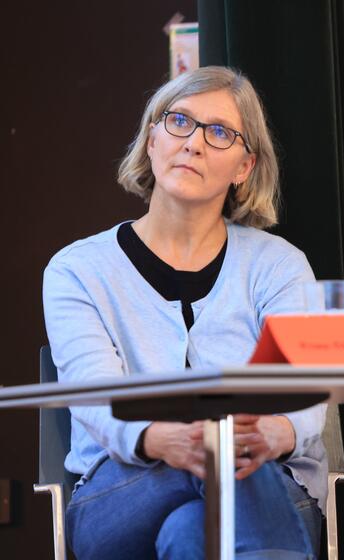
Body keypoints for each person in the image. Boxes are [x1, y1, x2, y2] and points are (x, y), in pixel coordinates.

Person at [43, 66, 324, 559]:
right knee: (221, 451)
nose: (194, 143)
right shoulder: (77, 270)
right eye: (179, 122)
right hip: (122, 494)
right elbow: (94, 398)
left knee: (193, 530)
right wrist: (161, 439)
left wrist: (272, 433)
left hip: (264, 482)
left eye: (220, 133)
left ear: (244, 167)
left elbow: (303, 392)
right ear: (152, 139)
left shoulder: (280, 267)